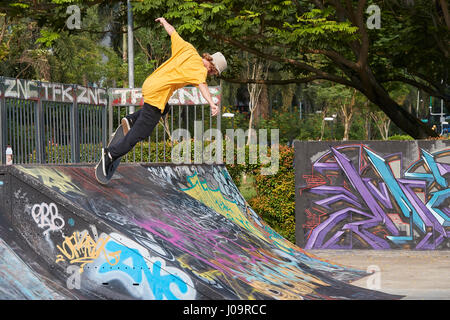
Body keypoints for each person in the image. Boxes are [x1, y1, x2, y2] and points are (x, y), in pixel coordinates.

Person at [101, 17, 227, 176]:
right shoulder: (200, 70)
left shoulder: (188, 49)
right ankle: (110, 154)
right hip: (157, 95)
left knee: (165, 108)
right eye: (214, 72)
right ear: (212, 65)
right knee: (140, 133)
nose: (212, 74)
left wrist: (163, 22)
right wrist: (211, 103)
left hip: (150, 84)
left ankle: (131, 119)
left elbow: (172, 32)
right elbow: (202, 86)